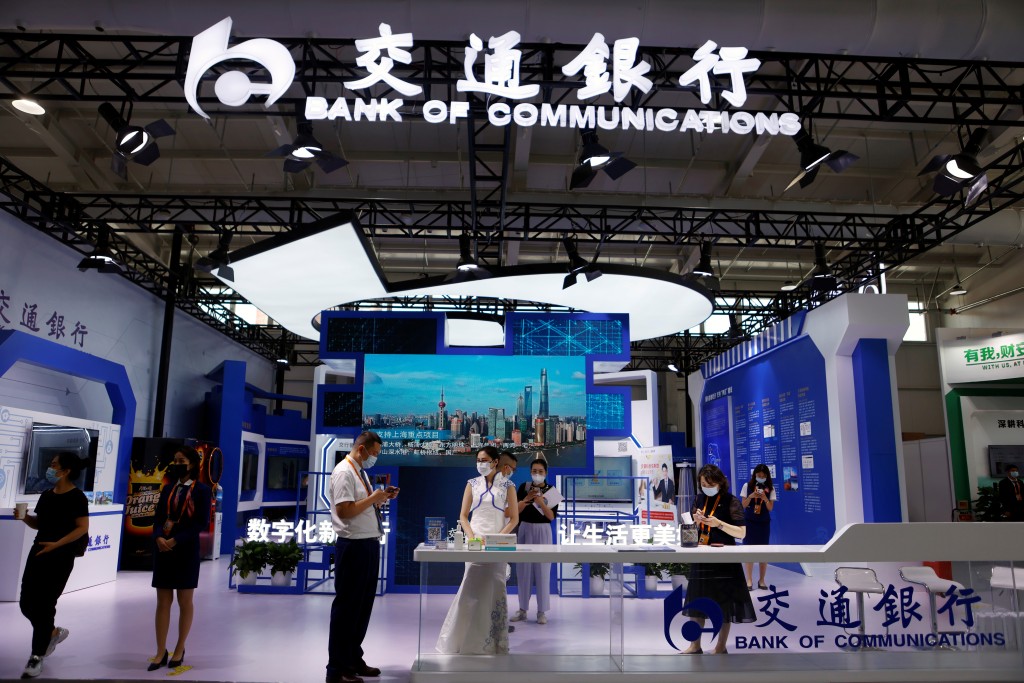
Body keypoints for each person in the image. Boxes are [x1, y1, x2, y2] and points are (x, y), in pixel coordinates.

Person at [327, 431, 397, 683]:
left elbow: (361, 505)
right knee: (347, 608)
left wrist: (380, 498)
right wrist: (374, 498)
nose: (375, 458)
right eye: (374, 454)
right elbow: (345, 511)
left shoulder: (360, 471)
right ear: (362, 450)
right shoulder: (344, 472)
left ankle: (353, 659)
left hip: (367, 543)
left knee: (362, 607)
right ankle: (336, 669)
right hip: (353, 547)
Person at [437, 446, 520, 654]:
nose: (480, 463)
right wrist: (472, 536)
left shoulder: (509, 486)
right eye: (478, 459)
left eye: (484, 460)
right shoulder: (471, 484)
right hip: (474, 543)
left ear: (495, 462)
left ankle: (493, 643)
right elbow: (463, 515)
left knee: (495, 588)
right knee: (470, 588)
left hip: (498, 544)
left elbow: (514, 518)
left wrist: (497, 538)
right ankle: (461, 641)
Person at [15, 451, 89, 679]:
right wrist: (25, 517)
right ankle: (53, 632)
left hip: (61, 556)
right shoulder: (46, 495)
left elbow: (82, 528)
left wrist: (57, 544)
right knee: (27, 603)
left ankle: (36, 656)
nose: (50, 467)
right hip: (39, 552)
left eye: (54, 464)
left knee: (45, 605)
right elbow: (39, 523)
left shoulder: (77, 497)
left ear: (66, 471)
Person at [680, 464, 756, 655]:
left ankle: (720, 646)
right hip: (702, 557)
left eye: (709, 483)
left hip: (724, 560)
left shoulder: (732, 501)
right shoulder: (698, 499)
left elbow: (741, 533)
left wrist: (719, 524)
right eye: (703, 483)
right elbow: (688, 529)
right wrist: (693, 522)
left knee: (724, 604)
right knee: (697, 602)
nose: (706, 486)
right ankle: (695, 645)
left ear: (719, 482)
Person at [150, 446, 212, 672]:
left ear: (193, 464)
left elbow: (201, 522)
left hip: (185, 550)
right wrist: (158, 537)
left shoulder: (202, 491)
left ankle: (179, 648)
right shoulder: (167, 489)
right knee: (162, 602)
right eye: (174, 460)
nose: (176, 464)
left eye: (181, 460)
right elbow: (158, 518)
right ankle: (160, 650)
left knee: (184, 601)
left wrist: (175, 540)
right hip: (163, 550)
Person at [511, 458, 558, 625]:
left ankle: (541, 612)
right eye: (534, 471)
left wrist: (540, 502)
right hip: (524, 529)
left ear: (545, 473)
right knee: (523, 571)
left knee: (543, 571)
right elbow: (514, 510)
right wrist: (528, 499)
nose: (537, 474)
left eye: (540, 471)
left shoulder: (551, 490)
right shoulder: (524, 487)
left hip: (543, 531)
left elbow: (551, 516)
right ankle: (522, 609)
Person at [739, 464, 777, 590]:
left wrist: (765, 498)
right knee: (748, 550)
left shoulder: (770, 488)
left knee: (763, 552)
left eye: (763, 476)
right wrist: (751, 496)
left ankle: (762, 580)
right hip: (749, 522)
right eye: (759, 475)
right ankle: (749, 579)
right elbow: (743, 505)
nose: (761, 477)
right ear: (754, 475)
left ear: (767, 476)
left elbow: (770, 508)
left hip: (763, 523)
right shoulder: (747, 486)